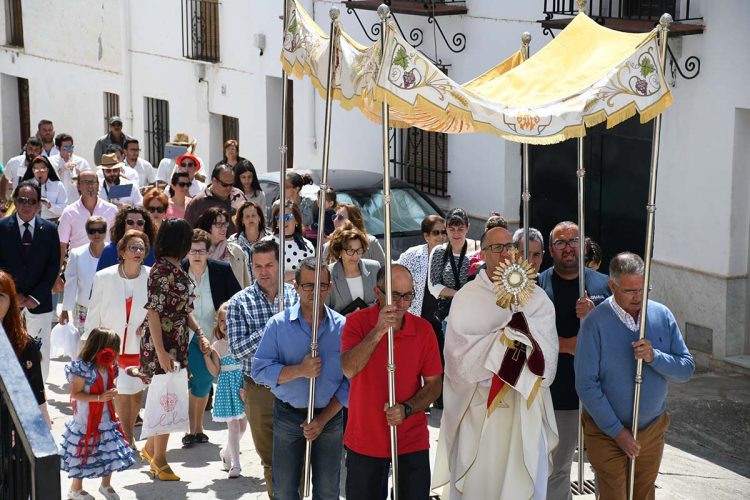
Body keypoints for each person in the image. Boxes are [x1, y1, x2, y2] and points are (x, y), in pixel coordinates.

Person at [432, 227, 560, 499]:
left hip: (524, 410)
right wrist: (503, 341)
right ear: (483, 253)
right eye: (496, 247)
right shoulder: (467, 297)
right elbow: (456, 360)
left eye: (509, 247)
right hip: (480, 410)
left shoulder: (537, 299)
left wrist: (523, 335)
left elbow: (548, 360)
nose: (504, 253)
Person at [576, 252, 695, 500]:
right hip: (606, 431)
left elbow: (686, 369)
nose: (638, 297)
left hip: (651, 428)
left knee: (644, 494)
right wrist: (618, 432)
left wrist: (655, 357)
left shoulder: (661, 315)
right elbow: (586, 385)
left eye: (643, 288)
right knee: (614, 495)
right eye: (630, 291)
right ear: (612, 285)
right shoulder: (595, 323)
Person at [341, 264, 442, 500]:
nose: (401, 303)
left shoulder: (423, 329)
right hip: (365, 439)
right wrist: (378, 331)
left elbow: (435, 384)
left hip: (410, 440)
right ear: (378, 293)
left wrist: (407, 409)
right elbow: (349, 368)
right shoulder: (356, 323)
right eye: (395, 295)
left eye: (408, 296)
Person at [252, 258, 349, 499]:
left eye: (322, 285)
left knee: (328, 491)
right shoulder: (278, 325)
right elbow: (260, 370)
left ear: (329, 287)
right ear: (295, 286)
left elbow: (351, 380)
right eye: (308, 286)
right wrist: (299, 370)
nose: (315, 292)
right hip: (288, 415)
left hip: (330, 417)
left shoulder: (343, 327)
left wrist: (323, 419)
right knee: (284, 490)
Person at [537, 221, 611, 500]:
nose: (568, 248)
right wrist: (565, 345)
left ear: (584, 245)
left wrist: (596, 316)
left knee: (606, 468)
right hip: (560, 395)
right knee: (557, 468)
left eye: (573, 241)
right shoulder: (537, 287)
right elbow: (526, 338)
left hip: (602, 395)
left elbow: (622, 336)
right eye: (560, 242)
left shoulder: (605, 286)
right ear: (550, 250)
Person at [136, 218, 210, 481]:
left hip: (177, 341)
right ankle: (160, 459)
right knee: (164, 400)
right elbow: (154, 313)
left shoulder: (178, 267)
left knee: (168, 397)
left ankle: (151, 450)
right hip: (163, 343)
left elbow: (185, 310)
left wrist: (200, 334)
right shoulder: (160, 270)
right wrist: (161, 352)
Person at [226, 239, 299, 498]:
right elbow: (237, 349)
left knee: (297, 457)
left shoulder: (295, 296)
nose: (264, 271)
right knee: (271, 459)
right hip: (259, 391)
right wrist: (274, 326)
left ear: (280, 265)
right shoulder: (238, 302)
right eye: (258, 266)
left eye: (269, 265)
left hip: (296, 385)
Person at [84, 229, 151, 451]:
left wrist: (148, 327)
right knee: (121, 391)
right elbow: (94, 312)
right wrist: (89, 343)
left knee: (135, 395)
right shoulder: (104, 276)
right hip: (111, 346)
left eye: (141, 248)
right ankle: (126, 437)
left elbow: (156, 312)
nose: (138, 252)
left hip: (139, 346)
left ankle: (127, 432)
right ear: (122, 251)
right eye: (133, 247)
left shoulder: (151, 276)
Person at [180, 229, 241, 448]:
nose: (196, 255)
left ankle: (197, 427)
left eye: (201, 251)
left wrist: (226, 324)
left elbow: (236, 298)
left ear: (209, 251)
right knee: (196, 380)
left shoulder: (221, 270)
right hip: (185, 335)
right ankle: (192, 428)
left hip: (213, 334)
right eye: (192, 250)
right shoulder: (179, 271)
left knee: (204, 380)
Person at [59, 327, 135, 500]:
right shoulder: (81, 368)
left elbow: (114, 379)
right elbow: (75, 394)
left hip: (106, 417)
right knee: (82, 452)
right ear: (98, 347)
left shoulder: (110, 367)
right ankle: (75, 489)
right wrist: (100, 397)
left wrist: (110, 393)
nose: (114, 353)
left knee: (108, 449)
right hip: (85, 420)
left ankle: (105, 485)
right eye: (112, 348)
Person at [0, 181, 61, 382]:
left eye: (31, 201)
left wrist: (36, 296)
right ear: (15, 202)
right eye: (22, 200)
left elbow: (53, 266)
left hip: (39, 302)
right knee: (8, 350)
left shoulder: (50, 230)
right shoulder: (2, 228)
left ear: (38, 205)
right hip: (7, 302)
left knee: (39, 352)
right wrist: (12, 294)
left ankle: (39, 395)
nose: (26, 205)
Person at [396, 215, 446, 407]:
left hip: (440, 320)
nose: (441, 237)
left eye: (443, 232)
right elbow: (397, 276)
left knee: (440, 360)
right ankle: (415, 400)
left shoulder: (452, 256)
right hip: (417, 316)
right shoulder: (411, 255)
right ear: (426, 236)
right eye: (436, 233)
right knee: (414, 361)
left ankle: (439, 398)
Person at [0, 270, 50, 426]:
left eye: (0, 297)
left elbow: (37, 392)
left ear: (11, 302)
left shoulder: (24, 344)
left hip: (11, 428)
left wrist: (44, 430)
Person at [204, 303, 247, 478]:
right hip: (227, 387)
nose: (225, 324)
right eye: (222, 320)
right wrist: (207, 356)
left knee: (243, 427)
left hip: (242, 386)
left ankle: (226, 452)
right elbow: (215, 371)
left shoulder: (244, 341)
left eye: (229, 320)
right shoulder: (218, 346)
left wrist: (246, 386)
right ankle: (235, 465)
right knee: (234, 427)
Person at [428, 208, 480, 326]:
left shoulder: (479, 249)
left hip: (477, 315)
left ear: (468, 228)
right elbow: (434, 286)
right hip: (450, 317)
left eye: (460, 229)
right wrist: (459, 295)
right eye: (452, 229)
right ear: (445, 228)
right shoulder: (439, 251)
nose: (456, 234)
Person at [60, 216, 108, 336]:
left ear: (106, 231)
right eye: (92, 231)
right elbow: (71, 284)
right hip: (83, 309)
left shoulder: (114, 252)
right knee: (84, 347)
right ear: (87, 233)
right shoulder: (77, 254)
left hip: (108, 309)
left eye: (100, 230)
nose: (96, 234)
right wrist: (65, 310)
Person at [325, 223, 380, 314]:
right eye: (350, 251)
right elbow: (324, 312)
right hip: (343, 327)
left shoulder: (374, 268)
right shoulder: (328, 274)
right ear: (339, 251)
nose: (355, 256)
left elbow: (383, 301)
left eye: (359, 250)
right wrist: (347, 318)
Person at [195, 207, 251, 288]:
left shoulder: (236, 251)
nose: (224, 228)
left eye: (225, 224)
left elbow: (246, 284)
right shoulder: (196, 251)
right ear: (209, 227)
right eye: (219, 224)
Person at [185, 164, 246, 234]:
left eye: (231, 184)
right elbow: (187, 232)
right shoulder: (198, 202)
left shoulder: (239, 195)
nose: (229, 188)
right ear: (214, 181)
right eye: (225, 185)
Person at [96, 205, 156, 271]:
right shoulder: (109, 251)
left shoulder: (154, 253)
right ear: (123, 225)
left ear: (145, 226)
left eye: (140, 223)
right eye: (130, 222)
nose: (135, 226)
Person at [271, 200, 316, 283]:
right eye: (279, 218)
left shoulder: (307, 246)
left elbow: (310, 276)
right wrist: (297, 274)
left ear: (296, 220)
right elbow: (267, 277)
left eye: (287, 217)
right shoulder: (267, 243)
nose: (283, 221)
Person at [228, 200, 271, 281]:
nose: (251, 219)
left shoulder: (271, 239)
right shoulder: (233, 242)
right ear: (242, 220)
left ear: (259, 218)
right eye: (247, 216)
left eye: (253, 215)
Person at [48, 133, 93, 205]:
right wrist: (63, 169)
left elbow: (91, 181)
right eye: (65, 148)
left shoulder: (81, 162)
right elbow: (48, 180)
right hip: (57, 205)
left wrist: (80, 174)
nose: (69, 151)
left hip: (76, 203)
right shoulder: (50, 161)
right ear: (58, 148)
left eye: (71, 147)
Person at [21, 155, 67, 221]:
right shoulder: (26, 185)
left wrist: (50, 205)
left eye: (43, 169)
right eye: (36, 169)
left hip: (52, 222)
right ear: (32, 170)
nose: (40, 172)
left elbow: (64, 209)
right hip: (32, 222)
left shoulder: (58, 185)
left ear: (48, 170)